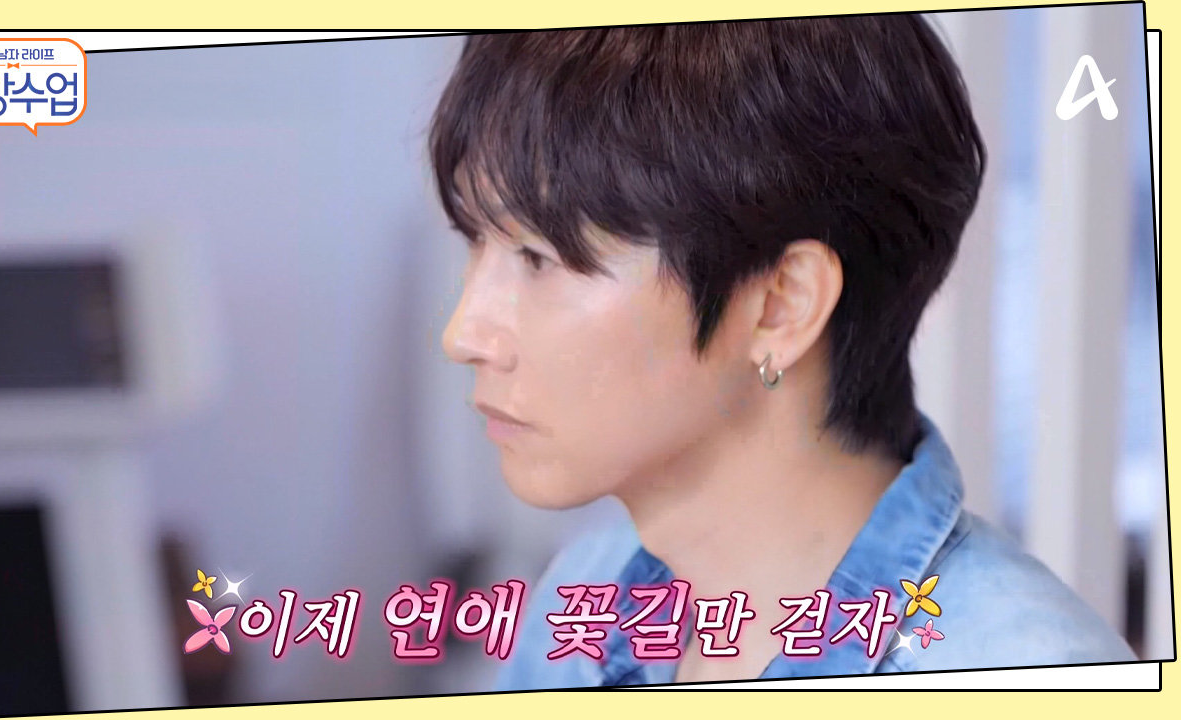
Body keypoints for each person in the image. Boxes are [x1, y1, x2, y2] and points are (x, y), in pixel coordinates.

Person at [427, 17, 1137, 688]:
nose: (463, 335)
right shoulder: (585, 595)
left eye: (538, 257)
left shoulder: (1024, 673)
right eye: (475, 242)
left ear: (782, 304)